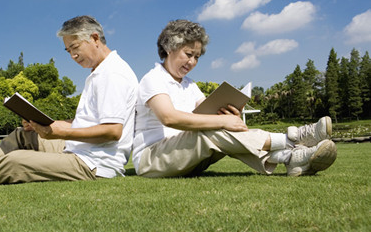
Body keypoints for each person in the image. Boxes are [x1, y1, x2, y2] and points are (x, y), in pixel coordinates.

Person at [0, 15, 138, 188]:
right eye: (68, 50)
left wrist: (59, 132)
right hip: (79, 150)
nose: (72, 55)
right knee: (23, 134)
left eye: (75, 47)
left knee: (16, 160)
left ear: (95, 39)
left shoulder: (113, 74)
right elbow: (91, 121)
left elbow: (112, 131)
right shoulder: (99, 72)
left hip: (94, 165)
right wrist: (44, 124)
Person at [132, 19, 337, 178]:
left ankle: (290, 158)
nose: (192, 62)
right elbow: (169, 118)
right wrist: (222, 121)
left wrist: (229, 113)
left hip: (187, 155)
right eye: (188, 54)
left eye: (197, 57)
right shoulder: (153, 79)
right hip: (152, 159)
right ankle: (293, 141)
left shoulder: (190, 85)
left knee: (217, 127)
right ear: (169, 48)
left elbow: (207, 111)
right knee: (209, 130)